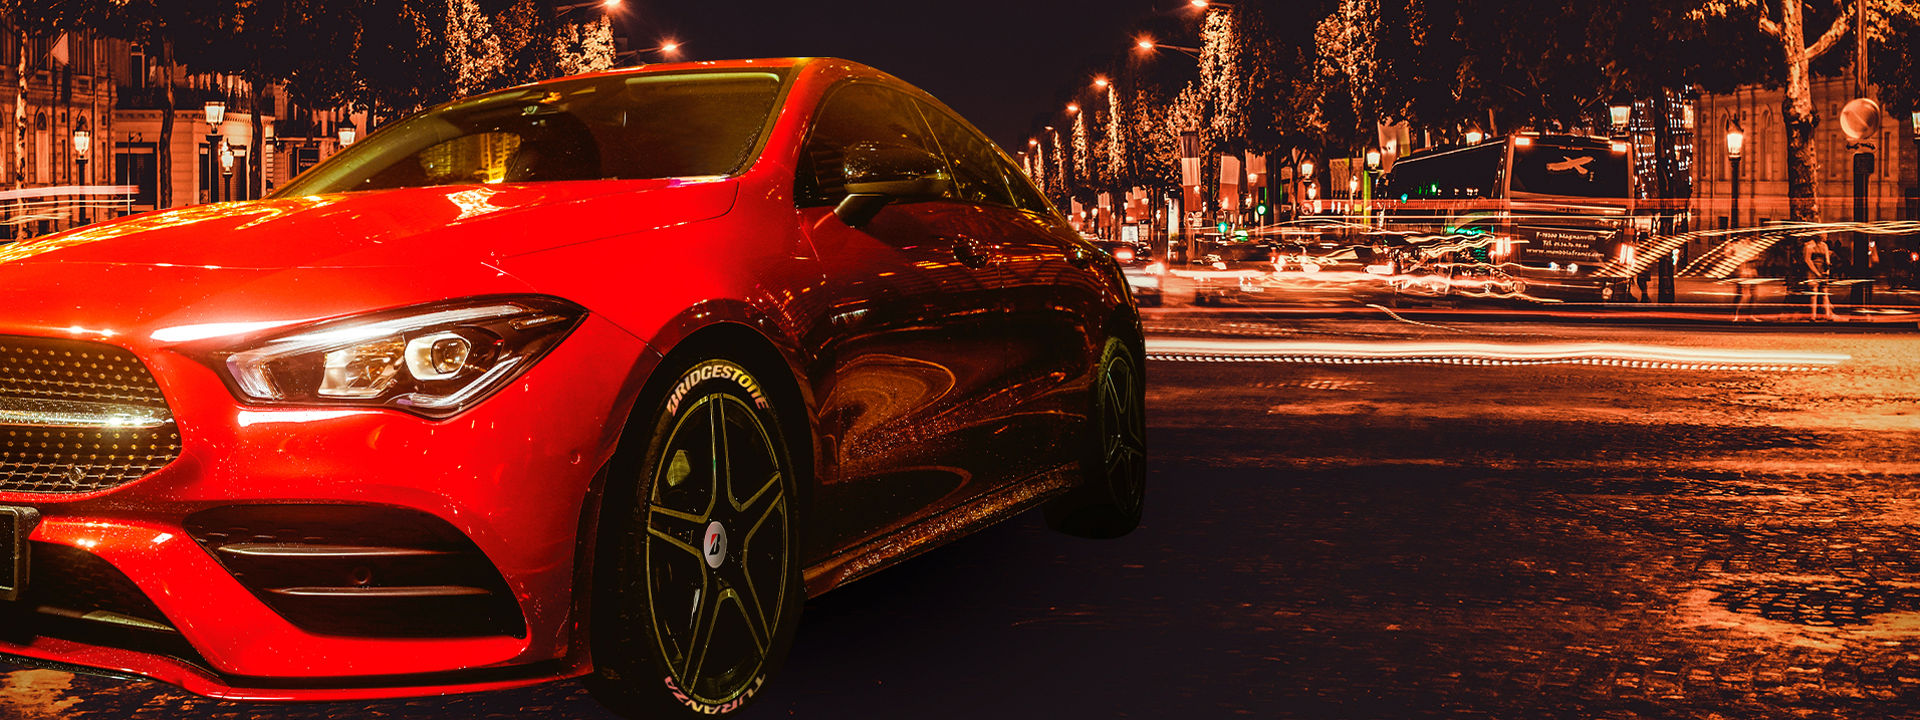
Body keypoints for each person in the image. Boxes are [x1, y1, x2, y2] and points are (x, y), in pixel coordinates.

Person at [1802, 234, 1837, 321]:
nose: (1826, 237)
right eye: (1824, 235)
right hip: (1812, 270)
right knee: (1814, 293)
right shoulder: (1809, 245)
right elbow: (1807, 260)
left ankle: (1827, 315)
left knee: (1824, 293)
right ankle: (1813, 315)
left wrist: (1827, 271)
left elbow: (1827, 260)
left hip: (1822, 270)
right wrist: (1816, 272)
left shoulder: (1824, 245)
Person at [1730, 235, 1761, 321]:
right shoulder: (1735, 245)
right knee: (1740, 294)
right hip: (1742, 271)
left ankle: (1749, 315)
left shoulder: (1751, 244)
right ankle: (1735, 314)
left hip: (1751, 271)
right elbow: (1730, 256)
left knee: (1753, 294)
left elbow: (1757, 256)